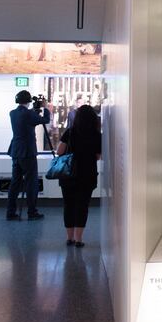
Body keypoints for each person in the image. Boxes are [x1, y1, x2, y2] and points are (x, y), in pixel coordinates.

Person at [57, 105, 101, 247]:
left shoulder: (70, 132)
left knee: (68, 205)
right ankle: (78, 239)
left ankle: (69, 238)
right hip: (87, 175)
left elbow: (59, 151)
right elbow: (98, 156)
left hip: (68, 175)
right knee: (82, 206)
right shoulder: (96, 135)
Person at [6, 90, 51, 221]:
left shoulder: (13, 113)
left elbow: (28, 115)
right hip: (27, 152)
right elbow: (45, 120)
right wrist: (45, 107)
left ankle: (10, 212)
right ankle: (32, 212)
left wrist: (35, 109)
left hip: (16, 151)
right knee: (31, 183)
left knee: (15, 183)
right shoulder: (28, 114)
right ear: (29, 100)